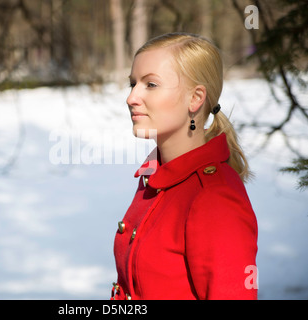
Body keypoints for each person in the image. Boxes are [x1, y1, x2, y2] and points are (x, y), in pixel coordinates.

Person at [111, 32, 258, 300]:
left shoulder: (213, 196)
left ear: (195, 98)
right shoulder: (156, 176)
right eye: (132, 84)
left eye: (150, 85)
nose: (131, 97)